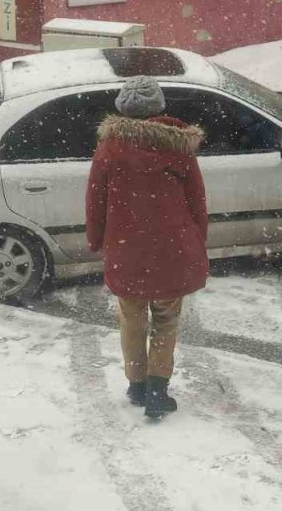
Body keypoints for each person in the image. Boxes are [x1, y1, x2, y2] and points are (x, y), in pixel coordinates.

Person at [86, 76, 209, 419]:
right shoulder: (178, 146)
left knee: (131, 316)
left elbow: (95, 199)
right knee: (167, 318)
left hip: (127, 248)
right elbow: (196, 201)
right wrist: (198, 239)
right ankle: (158, 389)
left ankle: (136, 384)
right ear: (159, 108)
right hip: (173, 246)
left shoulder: (110, 148)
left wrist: (96, 238)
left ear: (122, 109)